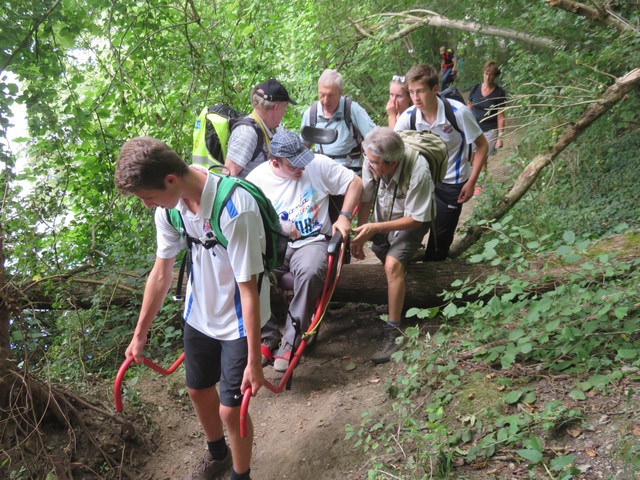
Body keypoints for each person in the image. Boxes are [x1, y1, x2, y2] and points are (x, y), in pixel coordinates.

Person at [115, 137, 270, 480]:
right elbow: (161, 273)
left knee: (232, 411)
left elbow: (249, 290)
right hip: (199, 313)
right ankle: (218, 454)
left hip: (239, 322)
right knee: (198, 390)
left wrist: (255, 361)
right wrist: (140, 334)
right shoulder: (170, 209)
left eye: (147, 197)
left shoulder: (235, 207)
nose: (146, 205)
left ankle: (241, 475)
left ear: (171, 180)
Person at [246, 129, 362, 372]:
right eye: (294, 166)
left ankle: (292, 338)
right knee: (249, 271)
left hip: (313, 240)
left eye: (303, 161)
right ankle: (267, 335)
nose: (301, 169)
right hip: (274, 246)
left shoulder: (317, 165)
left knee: (310, 271)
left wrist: (344, 216)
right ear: (275, 162)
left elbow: (355, 182)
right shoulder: (256, 181)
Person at [351, 127, 435, 364]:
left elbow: (418, 217)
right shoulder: (371, 160)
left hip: (411, 222)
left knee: (392, 264)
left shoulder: (419, 170)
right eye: (368, 158)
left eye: (375, 162)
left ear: (392, 163)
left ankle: (394, 330)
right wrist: (362, 232)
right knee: (381, 251)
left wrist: (375, 228)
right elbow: (366, 197)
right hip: (384, 218)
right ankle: (396, 290)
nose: (369, 164)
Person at [394, 64, 488, 261]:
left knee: (440, 241)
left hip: (453, 183)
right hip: (421, 183)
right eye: (411, 92)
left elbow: (482, 146)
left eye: (420, 91)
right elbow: (392, 149)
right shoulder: (409, 117)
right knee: (409, 231)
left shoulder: (458, 113)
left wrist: (471, 182)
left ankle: (433, 280)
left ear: (435, 89)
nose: (415, 98)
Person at [300, 69, 376, 171]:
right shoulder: (311, 114)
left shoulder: (352, 110)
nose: (326, 101)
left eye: (330, 95)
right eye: (322, 95)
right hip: (321, 170)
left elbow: (375, 139)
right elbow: (303, 148)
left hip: (349, 170)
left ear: (341, 92)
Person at [225, 78, 297, 179]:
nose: (284, 113)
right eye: (284, 108)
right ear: (276, 108)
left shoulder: (274, 129)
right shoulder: (246, 134)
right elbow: (227, 175)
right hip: (247, 193)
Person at [468, 61, 507, 156]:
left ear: (496, 76)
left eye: (491, 75)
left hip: (490, 131)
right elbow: (468, 108)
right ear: (483, 73)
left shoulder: (499, 93)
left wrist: (500, 138)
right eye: (486, 74)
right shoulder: (475, 88)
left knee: (482, 159)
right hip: (474, 129)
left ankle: (484, 171)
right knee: (470, 158)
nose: (488, 77)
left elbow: (501, 117)